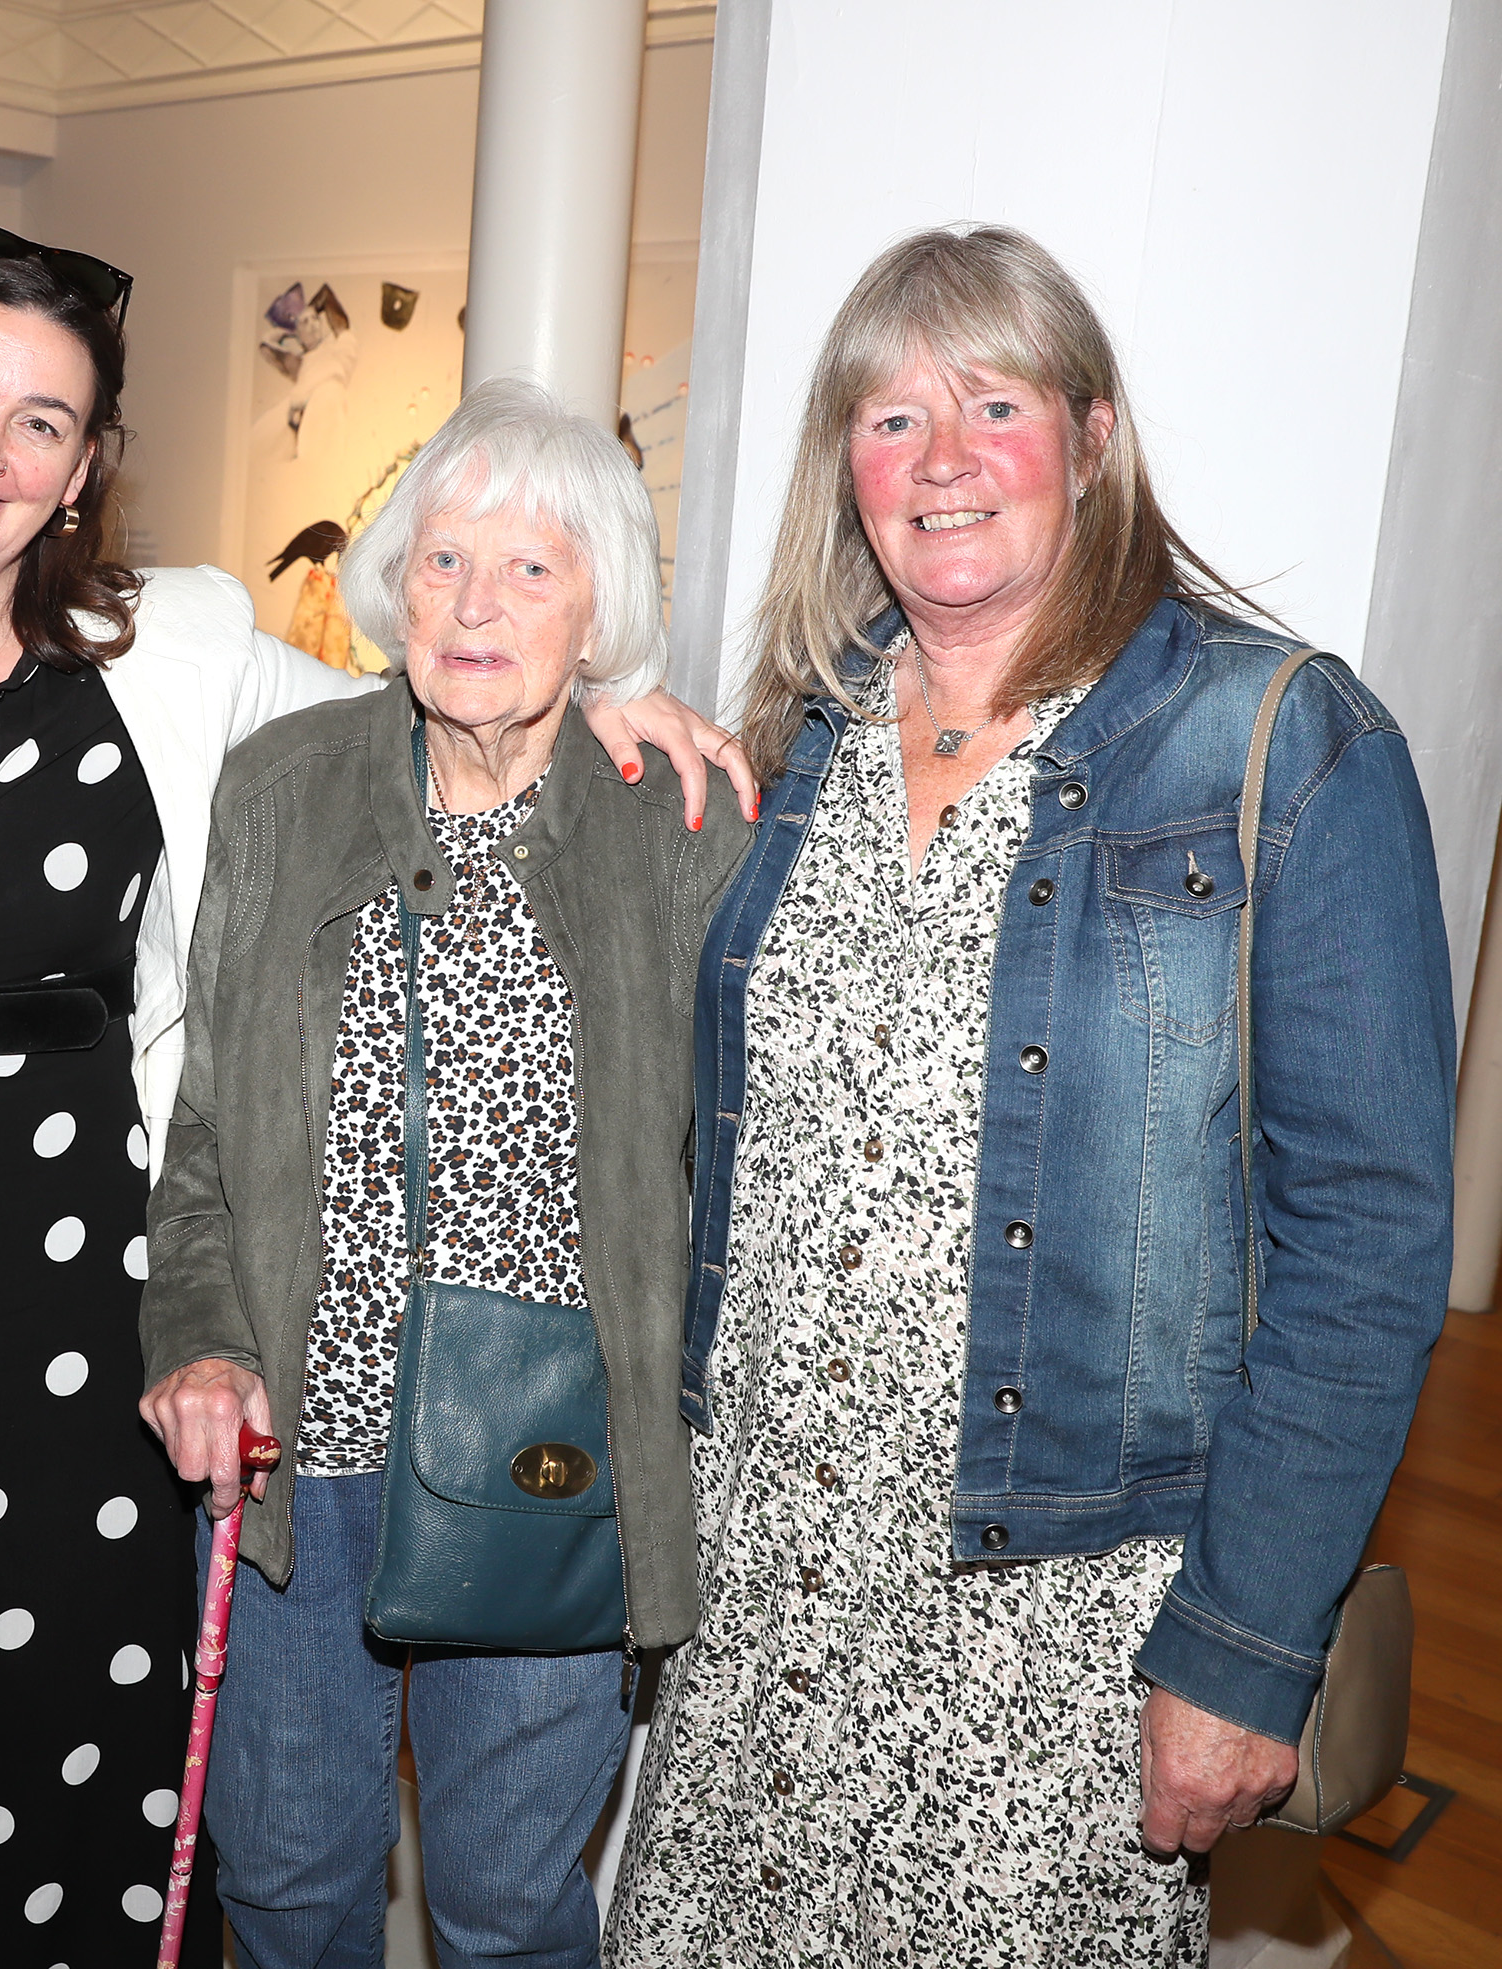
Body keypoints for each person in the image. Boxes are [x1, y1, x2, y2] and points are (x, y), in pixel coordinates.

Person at [0, 225, 752, 1964]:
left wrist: (624, 696)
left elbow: (427, 709)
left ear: (83, 469)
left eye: (41, 421)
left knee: (35, 1725)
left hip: (63, 1312)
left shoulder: (176, 653)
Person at [604, 226, 1454, 1963]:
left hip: (1056, 1632)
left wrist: (1242, 1649)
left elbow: (1367, 1247)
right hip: (762, 1591)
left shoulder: (1282, 742)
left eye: (993, 404)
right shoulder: (804, 737)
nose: (942, 459)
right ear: (845, 466)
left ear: (1092, 435)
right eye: (890, 418)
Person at [137, 377, 752, 1969]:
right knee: (285, 1892)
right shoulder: (282, 787)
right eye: (443, 561)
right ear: (393, 587)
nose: (477, 603)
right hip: (296, 1458)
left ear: (599, 610)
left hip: (551, 1459)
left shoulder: (685, 824)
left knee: (508, 1911)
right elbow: (204, 1133)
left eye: (533, 567)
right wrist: (198, 1339)